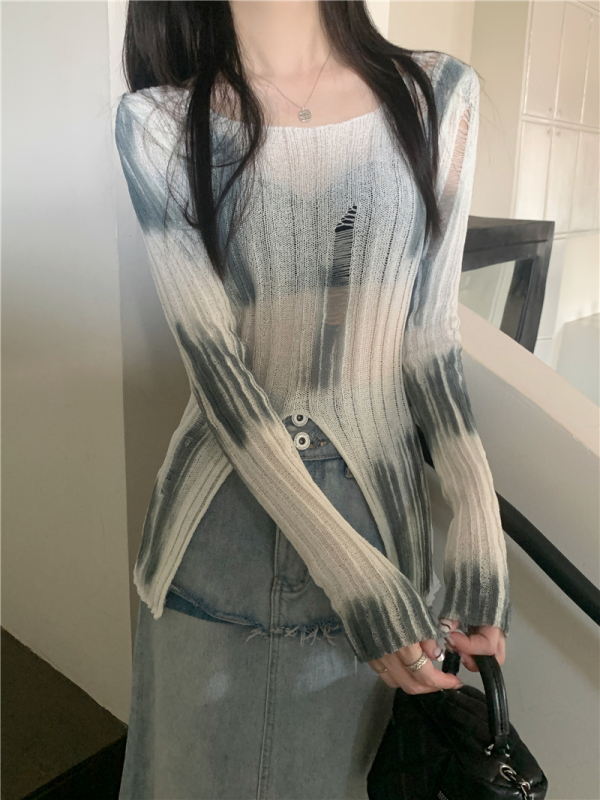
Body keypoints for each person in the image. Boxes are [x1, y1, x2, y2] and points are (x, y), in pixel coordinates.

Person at [115, 1, 510, 797]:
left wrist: (477, 518)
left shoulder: (437, 96)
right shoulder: (158, 124)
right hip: (222, 544)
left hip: (383, 540)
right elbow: (218, 375)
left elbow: (430, 335)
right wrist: (354, 576)